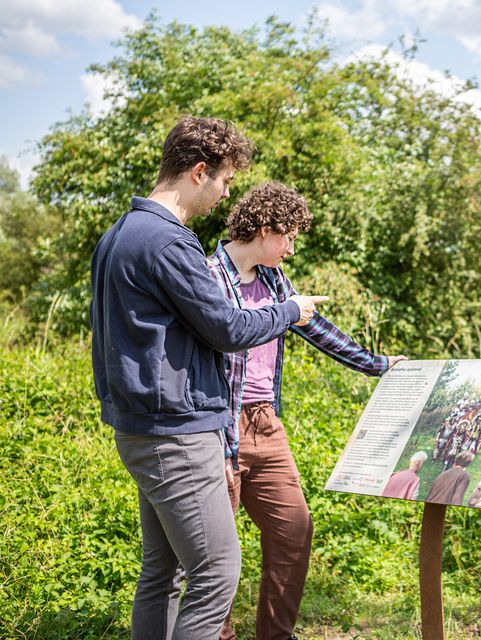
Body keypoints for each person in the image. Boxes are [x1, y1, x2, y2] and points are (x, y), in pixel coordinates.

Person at [90, 116, 326, 638]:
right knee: (216, 572)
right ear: (199, 172)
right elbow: (227, 328)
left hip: (139, 427)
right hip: (177, 433)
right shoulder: (170, 242)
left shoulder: (118, 235)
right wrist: (289, 311)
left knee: (162, 573)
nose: (226, 193)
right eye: (225, 180)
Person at [208, 181, 407, 640]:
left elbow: (316, 328)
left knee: (293, 531)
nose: (292, 250)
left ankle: (275, 636)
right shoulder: (207, 275)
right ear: (265, 229)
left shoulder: (274, 280)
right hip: (218, 427)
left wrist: (377, 364)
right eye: (289, 238)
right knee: (215, 553)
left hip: (266, 425)